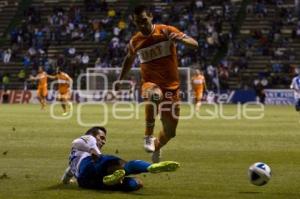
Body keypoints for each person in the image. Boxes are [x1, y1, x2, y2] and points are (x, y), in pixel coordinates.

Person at [117, 5, 198, 162]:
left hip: (172, 89)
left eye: (144, 21)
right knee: (154, 94)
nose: (141, 25)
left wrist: (181, 40)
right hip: (150, 83)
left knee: (170, 132)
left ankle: (157, 145)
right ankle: (148, 135)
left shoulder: (166, 31)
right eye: (137, 23)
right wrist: (120, 79)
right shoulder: (135, 41)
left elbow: (194, 44)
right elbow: (129, 58)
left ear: (151, 16)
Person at [61, 126, 180, 191]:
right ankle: (150, 167)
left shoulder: (74, 160)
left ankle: (119, 180)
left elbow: (68, 173)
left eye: (104, 139)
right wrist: (96, 153)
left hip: (85, 182)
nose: (103, 141)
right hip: (90, 166)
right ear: (92, 135)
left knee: (135, 183)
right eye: (101, 137)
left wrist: (66, 181)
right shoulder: (88, 139)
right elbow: (78, 142)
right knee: (126, 166)